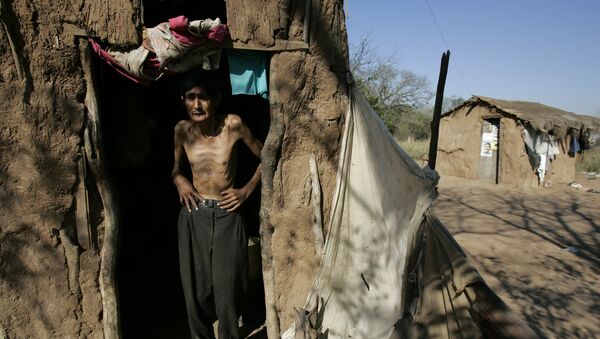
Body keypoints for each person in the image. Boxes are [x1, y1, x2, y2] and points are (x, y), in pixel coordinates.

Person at [172, 75, 262, 339]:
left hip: (228, 213)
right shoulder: (181, 130)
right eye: (191, 97)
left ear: (216, 100)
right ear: (183, 101)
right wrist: (179, 179)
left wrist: (247, 190)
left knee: (228, 291)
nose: (197, 105)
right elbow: (176, 167)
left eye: (203, 97)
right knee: (196, 292)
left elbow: (266, 154)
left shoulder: (232, 125)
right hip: (194, 214)